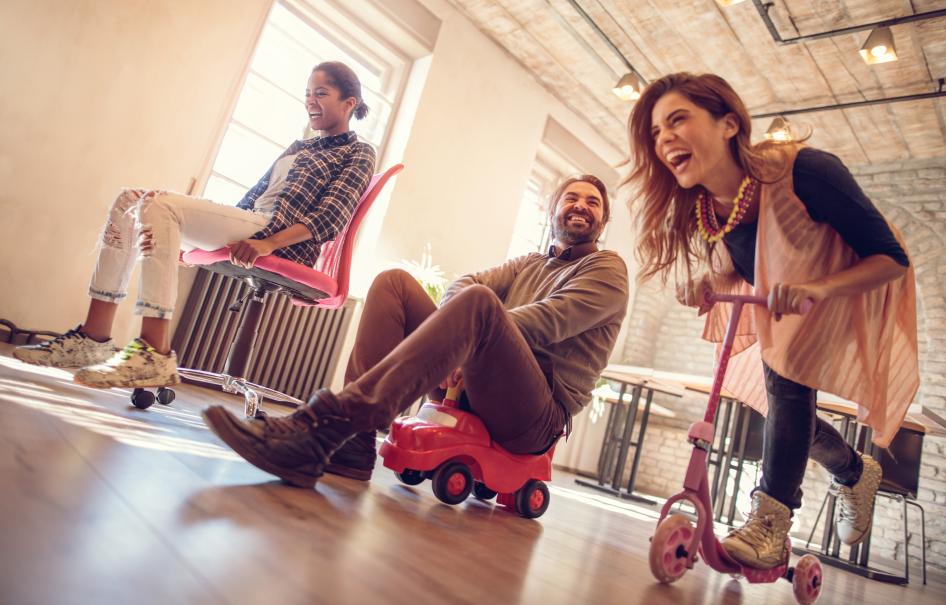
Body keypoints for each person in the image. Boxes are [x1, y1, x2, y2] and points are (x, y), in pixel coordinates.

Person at [626, 72, 918, 569]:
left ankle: (770, 520)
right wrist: (705, 281)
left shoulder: (808, 172)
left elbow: (891, 258)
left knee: (786, 379)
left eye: (677, 119)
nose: (664, 138)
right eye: (655, 132)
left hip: (853, 288)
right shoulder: (710, 209)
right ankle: (853, 470)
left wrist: (817, 289)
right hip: (789, 302)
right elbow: (747, 265)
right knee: (784, 396)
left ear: (728, 124)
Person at [201, 175, 629, 487]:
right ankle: (354, 445)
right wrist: (458, 340)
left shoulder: (607, 269)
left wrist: (469, 342)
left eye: (593, 203)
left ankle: (325, 424)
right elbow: (463, 284)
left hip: (533, 416)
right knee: (395, 283)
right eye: (572, 197)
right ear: (554, 209)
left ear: (602, 221)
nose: (581, 205)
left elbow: (549, 320)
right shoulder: (531, 262)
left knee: (481, 306)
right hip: (474, 385)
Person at [14, 61, 377, 389]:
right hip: (254, 223)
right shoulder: (299, 147)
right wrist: (199, 241)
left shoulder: (358, 152)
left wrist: (270, 244)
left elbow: (332, 216)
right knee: (131, 200)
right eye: (308, 94)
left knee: (159, 206)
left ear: (349, 103)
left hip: (282, 239)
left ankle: (154, 353)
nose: (311, 101)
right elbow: (250, 200)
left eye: (321, 94)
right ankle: (93, 339)